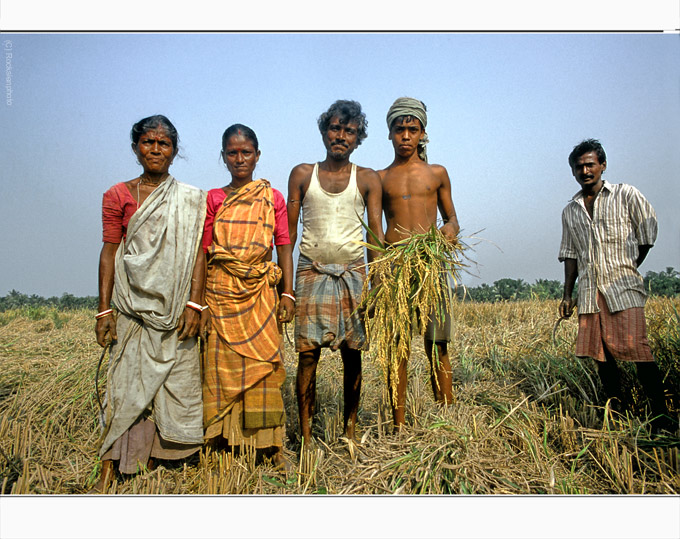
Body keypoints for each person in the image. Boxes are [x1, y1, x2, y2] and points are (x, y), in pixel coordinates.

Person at [92, 115, 206, 492]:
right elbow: (109, 252)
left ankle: (165, 457)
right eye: (148, 142)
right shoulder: (117, 195)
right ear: (135, 147)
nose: (155, 149)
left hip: (176, 309)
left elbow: (197, 255)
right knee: (125, 385)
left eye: (164, 143)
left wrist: (195, 305)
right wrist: (103, 309)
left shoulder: (191, 199)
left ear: (175, 151)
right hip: (130, 307)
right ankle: (115, 458)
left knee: (177, 382)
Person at [558, 138, 673, 431]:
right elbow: (570, 255)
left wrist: (629, 265)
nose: (585, 171)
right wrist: (567, 294)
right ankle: (617, 414)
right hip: (588, 292)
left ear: (602, 165)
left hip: (623, 289)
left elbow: (647, 234)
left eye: (590, 164)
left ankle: (661, 417)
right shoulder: (570, 210)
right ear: (573, 171)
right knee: (602, 357)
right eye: (579, 167)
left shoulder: (626, 194)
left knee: (638, 351)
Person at [287, 100, 383, 444]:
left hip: (353, 274)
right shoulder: (302, 175)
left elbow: (375, 235)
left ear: (358, 139)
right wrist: (285, 286)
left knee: (352, 354)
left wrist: (378, 283)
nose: (341, 136)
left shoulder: (368, 178)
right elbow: (288, 235)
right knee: (307, 355)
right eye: (335, 128)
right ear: (324, 131)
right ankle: (307, 435)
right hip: (310, 272)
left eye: (350, 131)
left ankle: (350, 431)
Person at [201, 124, 294, 468]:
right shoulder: (213, 198)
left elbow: (283, 244)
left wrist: (288, 294)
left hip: (260, 292)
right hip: (221, 291)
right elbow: (204, 251)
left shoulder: (272, 199)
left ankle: (271, 447)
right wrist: (200, 302)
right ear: (223, 157)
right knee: (220, 369)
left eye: (246, 152)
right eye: (232, 153)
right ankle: (220, 443)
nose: (239, 159)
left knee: (265, 368)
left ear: (257, 155)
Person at [379, 97, 460, 429]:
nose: (406, 136)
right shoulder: (380, 178)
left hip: (430, 265)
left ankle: (447, 418)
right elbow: (375, 226)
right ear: (390, 134)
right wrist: (380, 266)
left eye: (412, 130)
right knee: (398, 346)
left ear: (423, 133)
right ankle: (399, 426)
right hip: (395, 266)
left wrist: (448, 232)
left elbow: (452, 218)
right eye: (400, 130)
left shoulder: (436, 173)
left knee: (438, 344)